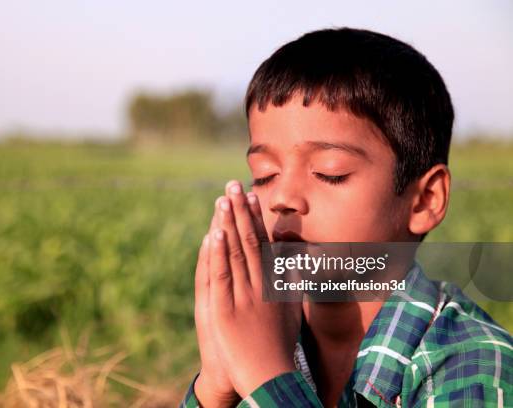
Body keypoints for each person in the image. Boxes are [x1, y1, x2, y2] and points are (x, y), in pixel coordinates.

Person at [180, 28, 512, 407]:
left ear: (425, 200)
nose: (283, 198)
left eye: (329, 172)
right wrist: (215, 389)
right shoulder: (266, 335)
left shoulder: (476, 367)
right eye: (264, 174)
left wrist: (267, 378)